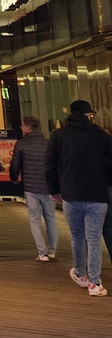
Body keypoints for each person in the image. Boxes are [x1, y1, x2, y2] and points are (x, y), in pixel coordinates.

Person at [47, 99, 112, 298]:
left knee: (77, 237)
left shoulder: (58, 136)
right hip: (97, 195)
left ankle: (81, 274)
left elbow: (50, 165)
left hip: (71, 194)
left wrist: (54, 189)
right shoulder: (101, 135)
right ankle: (95, 283)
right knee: (93, 238)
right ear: (88, 115)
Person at [9, 115, 58, 261]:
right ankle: (53, 250)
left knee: (34, 219)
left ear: (28, 127)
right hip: (48, 187)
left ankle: (42, 252)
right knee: (50, 217)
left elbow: (15, 164)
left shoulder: (21, 144)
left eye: (22, 125)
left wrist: (13, 177)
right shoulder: (48, 143)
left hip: (30, 187)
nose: (21, 128)